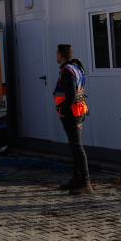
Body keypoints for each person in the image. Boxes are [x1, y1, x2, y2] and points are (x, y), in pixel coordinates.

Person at [54, 44, 91, 194]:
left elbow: (70, 94)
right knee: (75, 146)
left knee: (77, 147)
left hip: (71, 113)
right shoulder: (76, 67)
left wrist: (62, 110)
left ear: (61, 54)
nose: (56, 56)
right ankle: (76, 180)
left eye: (57, 53)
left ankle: (85, 183)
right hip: (78, 110)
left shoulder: (67, 70)